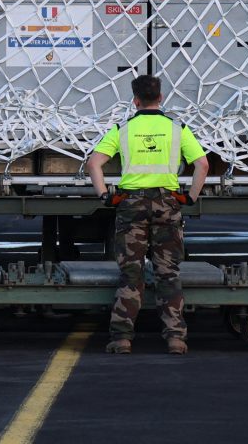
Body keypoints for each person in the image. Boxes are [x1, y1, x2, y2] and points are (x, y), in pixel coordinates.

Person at [85, 73, 209, 355]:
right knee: (168, 273)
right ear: (161, 98)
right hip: (167, 203)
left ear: (135, 101)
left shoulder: (123, 129)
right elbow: (201, 164)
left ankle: (121, 339)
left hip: (131, 205)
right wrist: (190, 196)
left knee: (131, 274)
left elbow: (94, 163)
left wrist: (105, 195)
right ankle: (176, 338)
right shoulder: (177, 128)